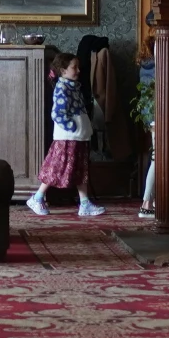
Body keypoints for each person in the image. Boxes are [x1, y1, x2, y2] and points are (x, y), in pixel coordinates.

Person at [26, 51, 103, 218]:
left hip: (79, 136)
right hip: (68, 137)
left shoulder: (74, 87)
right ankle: (37, 197)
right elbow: (58, 113)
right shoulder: (62, 88)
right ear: (63, 70)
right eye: (74, 67)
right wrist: (73, 126)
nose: (78, 70)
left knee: (81, 170)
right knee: (57, 168)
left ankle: (84, 203)